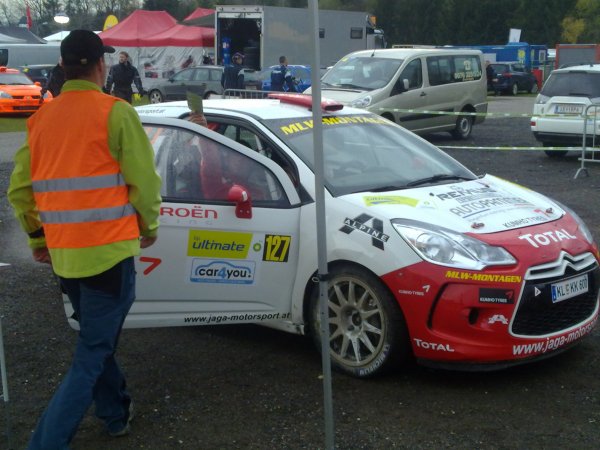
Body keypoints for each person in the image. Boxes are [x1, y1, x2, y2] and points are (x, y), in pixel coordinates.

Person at [7, 29, 162, 448]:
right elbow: (145, 183)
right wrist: (148, 226)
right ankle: (45, 442)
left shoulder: (41, 120)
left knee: (96, 339)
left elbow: (19, 192)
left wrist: (38, 238)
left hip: (65, 258)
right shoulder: (116, 112)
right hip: (110, 254)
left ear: (62, 65)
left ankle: (115, 413)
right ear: (101, 65)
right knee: (93, 350)